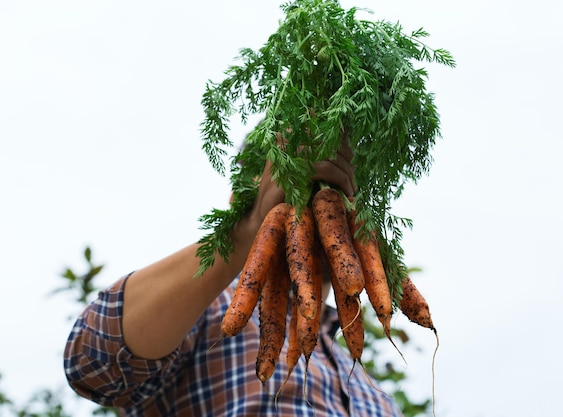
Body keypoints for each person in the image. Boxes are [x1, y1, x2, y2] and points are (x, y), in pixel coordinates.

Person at [63, 134, 404, 416]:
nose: (316, 202)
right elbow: (93, 364)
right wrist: (250, 226)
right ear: (237, 199)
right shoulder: (207, 313)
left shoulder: (375, 395)